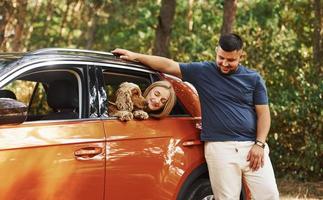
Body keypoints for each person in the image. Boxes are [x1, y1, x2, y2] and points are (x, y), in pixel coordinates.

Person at [112, 33, 279, 199]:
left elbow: (264, 114)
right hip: (220, 148)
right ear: (216, 51)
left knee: (269, 195)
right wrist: (135, 56)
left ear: (241, 56)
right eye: (221, 58)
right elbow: (169, 65)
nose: (225, 63)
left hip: (252, 147)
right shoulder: (203, 71)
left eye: (231, 60)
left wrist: (259, 143)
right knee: (227, 198)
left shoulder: (254, 79)